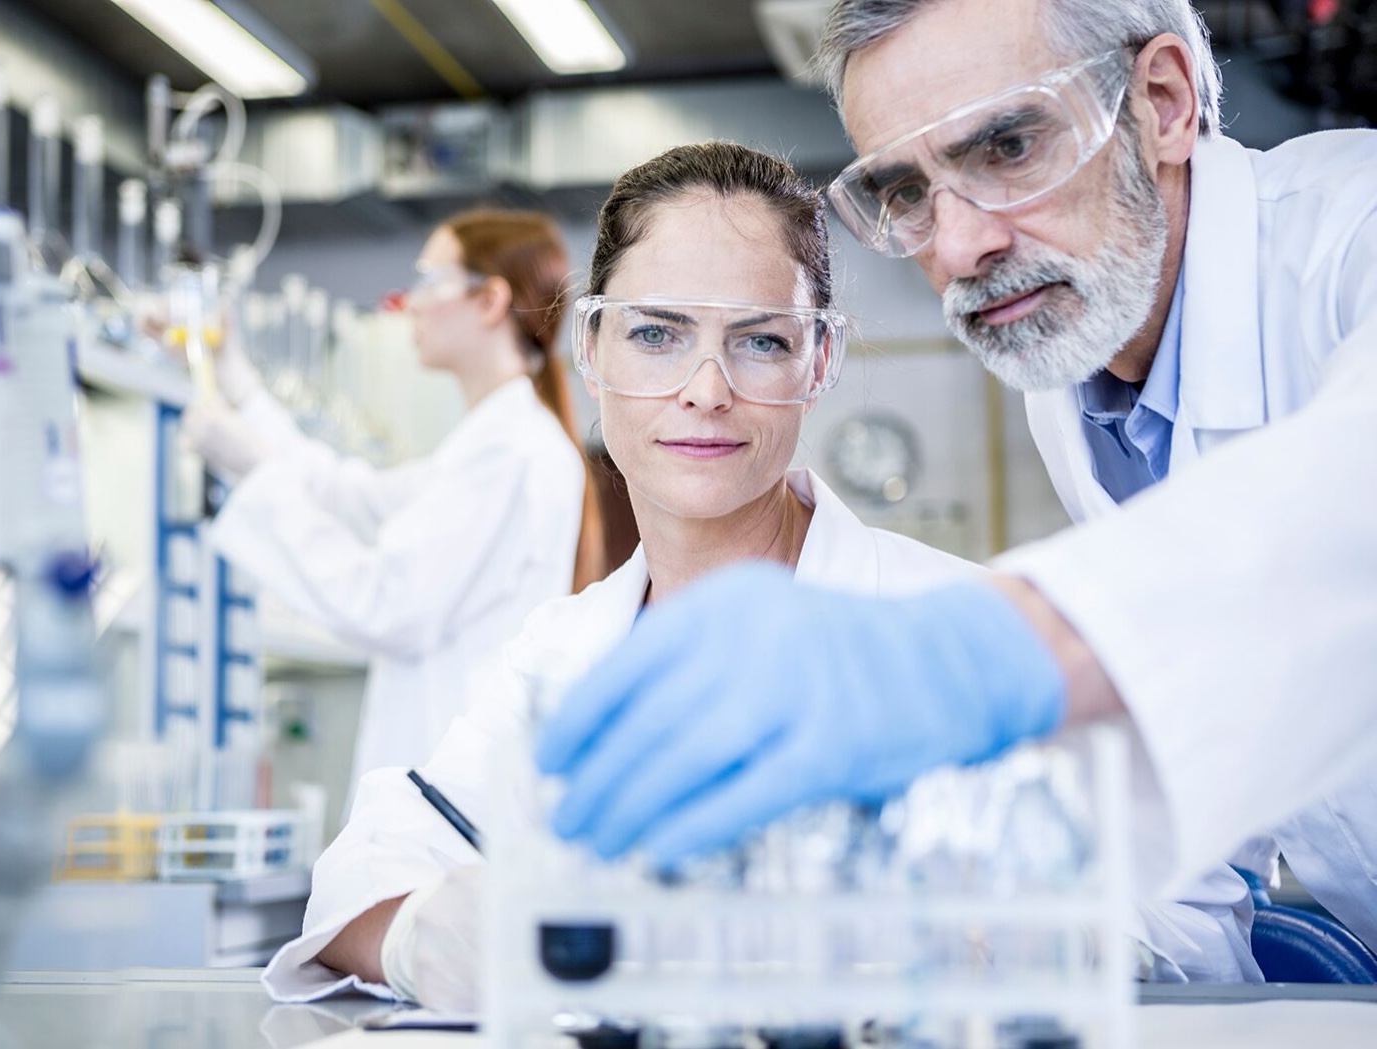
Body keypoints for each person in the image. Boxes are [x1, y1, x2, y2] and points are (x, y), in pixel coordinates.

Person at [259, 142, 1260, 1008]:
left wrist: (981, 938)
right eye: (655, 333)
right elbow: (364, 865)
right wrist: (423, 933)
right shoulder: (561, 649)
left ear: (819, 361)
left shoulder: (952, 625)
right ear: (592, 345)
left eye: (760, 340)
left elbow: (1196, 935)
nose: (704, 389)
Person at [535, 0, 1377, 921]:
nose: (961, 245)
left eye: (1010, 148)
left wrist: (979, 651)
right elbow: (1228, 702)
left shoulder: (1349, 233)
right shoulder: (1074, 372)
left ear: (1164, 102)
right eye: (905, 191)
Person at [184, 209, 605, 797]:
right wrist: (241, 389)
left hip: (451, 801)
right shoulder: (490, 445)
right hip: (448, 795)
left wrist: (256, 476)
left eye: (430, 281)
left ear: (489, 301)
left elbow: (387, 603)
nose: (411, 302)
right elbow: (352, 496)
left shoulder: (511, 454)